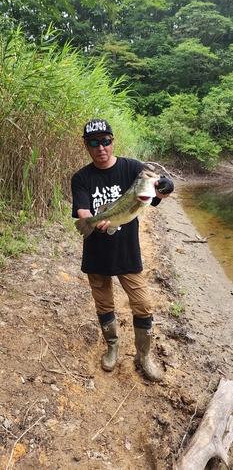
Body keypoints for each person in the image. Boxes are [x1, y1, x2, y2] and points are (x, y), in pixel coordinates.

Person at [71, 118, 174, 382]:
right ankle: (113, 347)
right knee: (104, 302)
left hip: (127, 251)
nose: (100, 147)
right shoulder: (81, 178)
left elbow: (157, 191)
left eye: (105, 141)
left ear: (112, 141)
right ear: (86, 145)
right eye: (94, 142)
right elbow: (82, 211)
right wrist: (92, 220)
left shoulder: (132, 168)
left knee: (142, 304)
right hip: (96, 252)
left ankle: (144, 356)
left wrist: (164, 188)